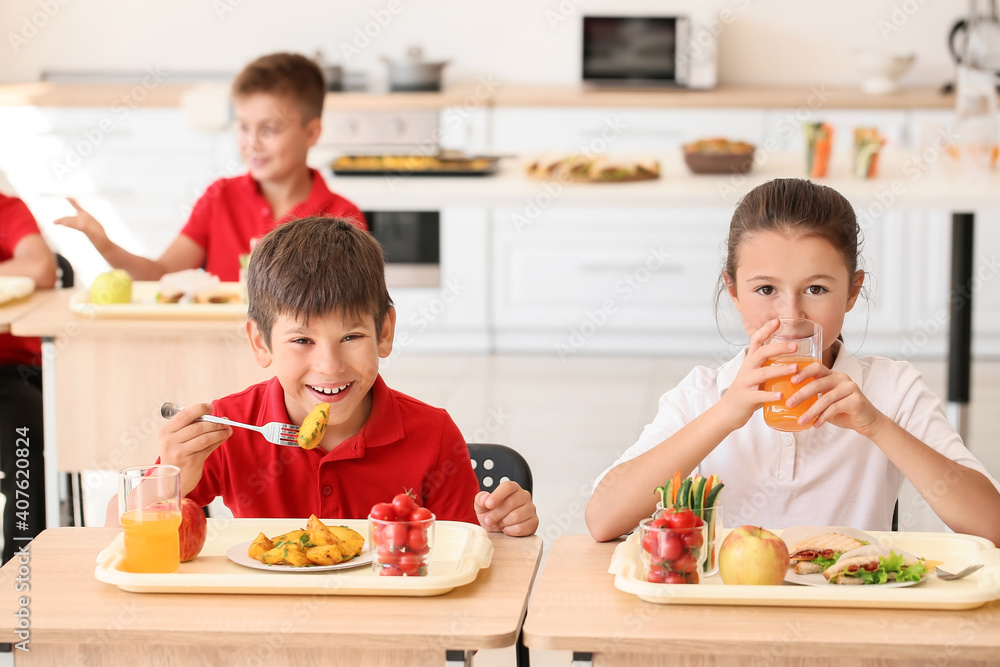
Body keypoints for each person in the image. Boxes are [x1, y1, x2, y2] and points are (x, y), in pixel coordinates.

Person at [586, 178, 1000, 545]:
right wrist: (726, 414)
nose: (792, 316)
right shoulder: (703, 395)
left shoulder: (892, 388)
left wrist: (876, 426)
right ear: (733, 291)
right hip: (730, 613)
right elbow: (603, 520)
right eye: (766, 289)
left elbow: (991, 528)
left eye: (816, 289)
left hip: (849, 613)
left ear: (853, 292)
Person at [107, 216, 538, 536]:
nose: (330, 365)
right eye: (302, 341)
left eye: (351, 336)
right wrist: (167, 480)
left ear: (384, 332)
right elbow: (112, 534)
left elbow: (465, 590)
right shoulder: (230, 428)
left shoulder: (433, 434)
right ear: (260, 343)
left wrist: (496, 532)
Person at [55, 52, 365, 282]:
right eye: (243, 127)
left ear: (311, 133)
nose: (251, 143)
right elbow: (160, 274)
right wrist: (105, 245)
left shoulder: (343, 217)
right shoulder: (220, 197)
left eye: (269, 129)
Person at [0, 192, 57, 564]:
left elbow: (40, 268)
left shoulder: (7, 208)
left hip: (9, 371)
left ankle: (20, 571)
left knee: (24, 435)